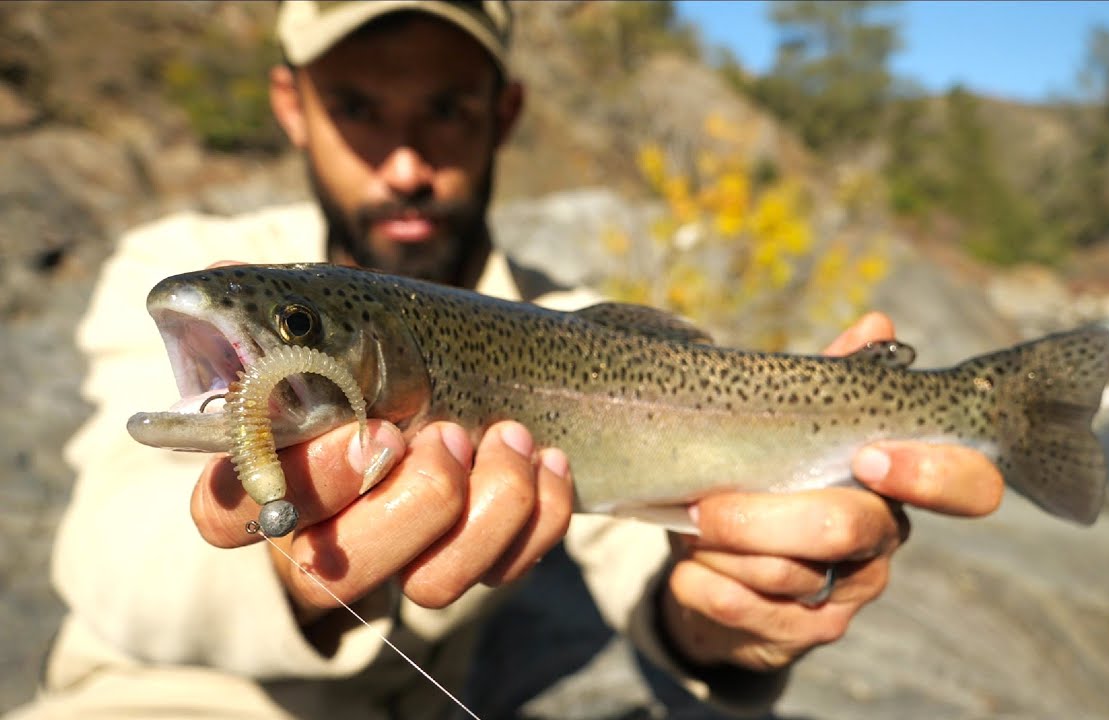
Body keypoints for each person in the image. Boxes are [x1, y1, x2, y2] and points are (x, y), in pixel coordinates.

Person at [9, 2, 1003, 718]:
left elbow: (645, 570)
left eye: (445, 110)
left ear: (506, 112)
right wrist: (286, 560)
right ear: (290, 104)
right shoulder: (182, 269)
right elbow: (108, 553)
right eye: (358, 106)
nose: (405, 162)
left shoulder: (567, 328)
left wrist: (728, 617)